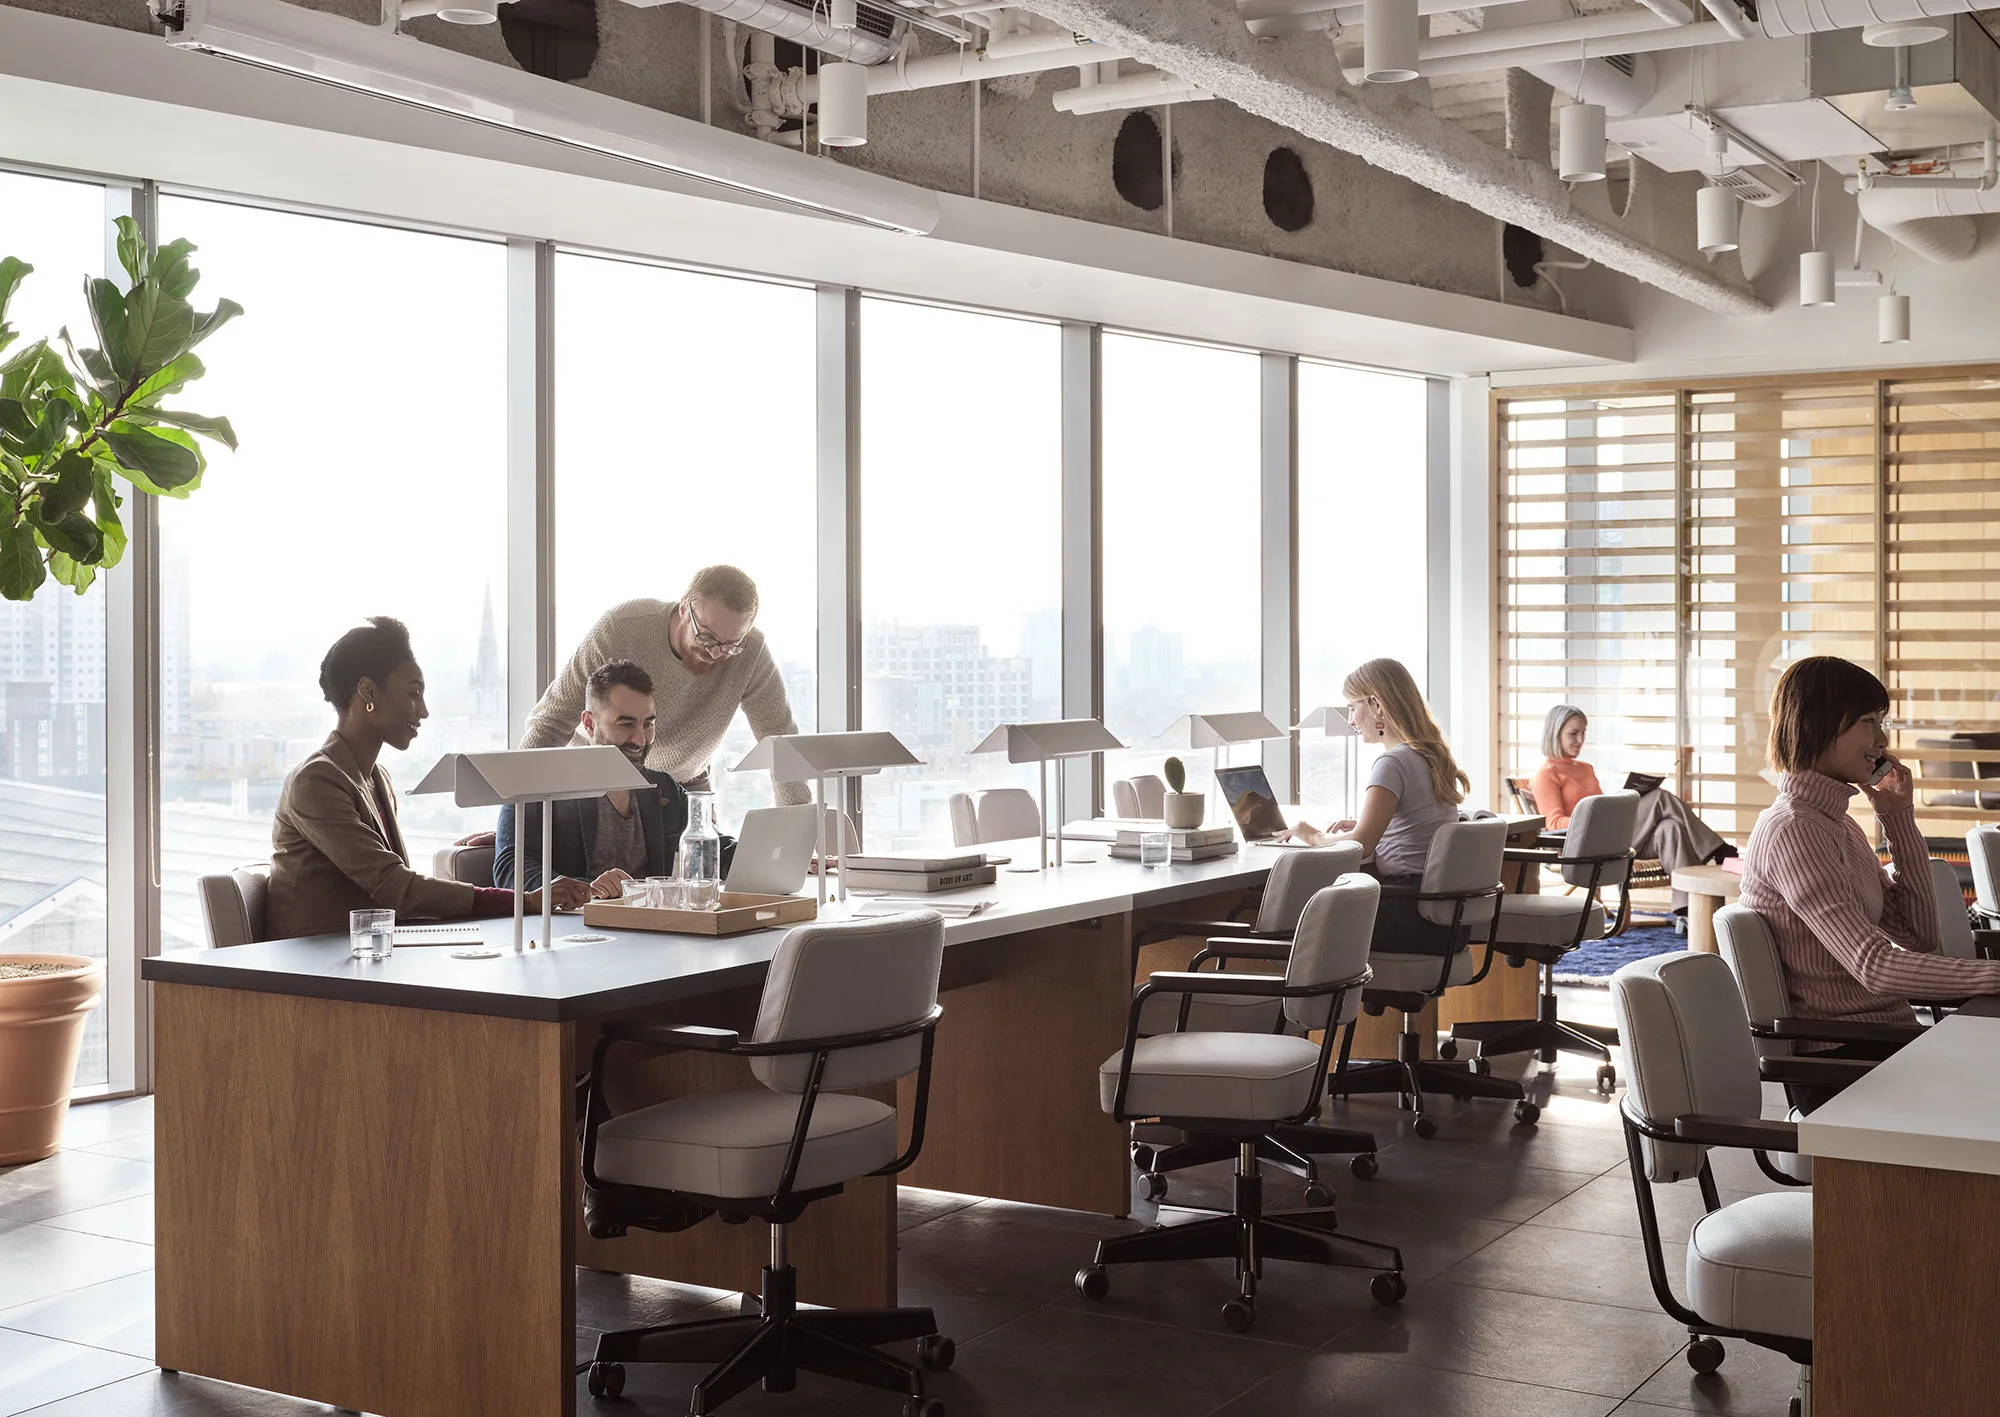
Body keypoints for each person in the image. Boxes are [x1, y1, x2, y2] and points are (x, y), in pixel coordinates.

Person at [267, 617, 592, 940]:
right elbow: (399, 888)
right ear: (368, 691)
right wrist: (526, 901)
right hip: (315, 967)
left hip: (373, 950)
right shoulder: (316, 781)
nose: (423, 711)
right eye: (413, 693)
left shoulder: (376, 778)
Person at [1739, 654, 2000, 1030]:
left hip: (1891, 1038)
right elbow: (1874, 967)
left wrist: (1898, 817)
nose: (1882, 740)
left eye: (1882, 722)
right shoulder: (1794, 831)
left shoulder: (1836, 823)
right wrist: (1994, 977)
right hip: (1848, 1054)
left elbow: (1918, 936)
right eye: (1868, 722)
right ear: (1817, 725)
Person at [520, 566, 808, 806]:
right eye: (706, 636)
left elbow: (781, 743)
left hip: (684, 788)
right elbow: (551, 721)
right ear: (684, 607)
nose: (716, 653)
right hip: (597, 783)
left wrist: (798, 835)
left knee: (706, 869)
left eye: (730, 644)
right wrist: (517, 820)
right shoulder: (621, 628)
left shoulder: (752, 650)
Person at [493, 660, 735, 894]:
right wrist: (588, 889)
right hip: (575, 930)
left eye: (648, 724)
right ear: (589, 724)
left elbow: (715, 848)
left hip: (654, 928)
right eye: (626, 724)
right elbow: (510, 869)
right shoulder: (537, 787)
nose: (641, 740)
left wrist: (757, 857)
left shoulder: (665, 789)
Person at [1285, 657, 1469, 955]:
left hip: (1408, 915)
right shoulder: (1431, 756)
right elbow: (1413, 828)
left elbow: (1361, 845)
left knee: (1288, 928)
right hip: (1443, 919)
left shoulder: (1392, 762)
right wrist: (1365, 824)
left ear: (1376, 705)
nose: (1351, 720)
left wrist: (1313, 836)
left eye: (1352, 707)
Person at [1530, 703, 1731, 911]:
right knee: (1659, 798)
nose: (1580, 740)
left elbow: (1598, 804)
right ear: (1555, 733)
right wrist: (1591, 816)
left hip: (1612, 836)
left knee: (1671, 828)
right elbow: (1553, 824)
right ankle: (1717, 849)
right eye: (1573, 734)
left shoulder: (1585, 769)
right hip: (1587, 846)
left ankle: (1687, 908)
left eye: (1583, 733)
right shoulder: (1546, 774)